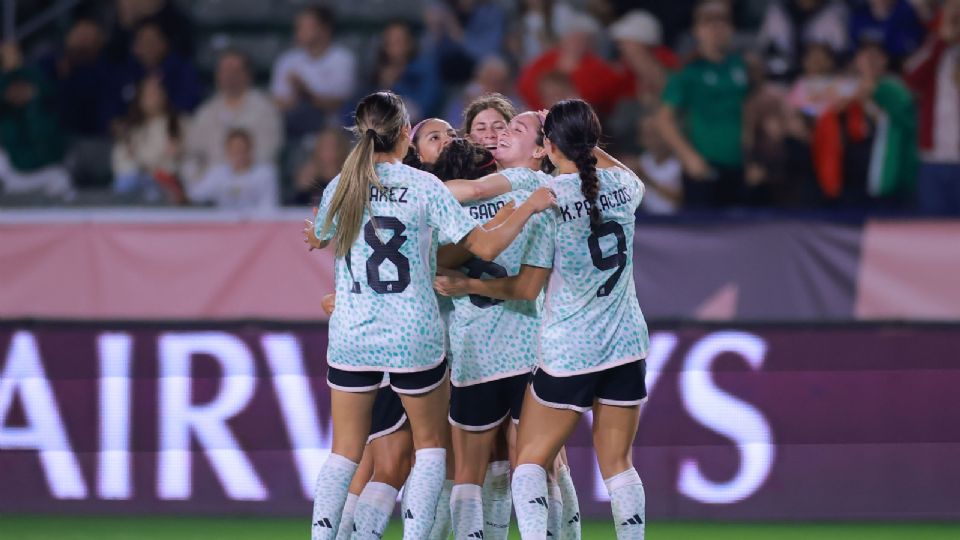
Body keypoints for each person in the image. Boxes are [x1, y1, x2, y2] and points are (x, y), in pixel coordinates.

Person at [302, 91, 555, 540]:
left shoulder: (342, 183)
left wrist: (321, 240)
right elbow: (486, 246)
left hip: (353, 334)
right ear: (405, 136)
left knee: (345, 454)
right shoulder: (424, 188)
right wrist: (525, 209)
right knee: (431, 450)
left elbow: (318, 236)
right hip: (413, 333)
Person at [440, 99, 649, 539]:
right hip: (627, 344)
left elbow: (493, 244)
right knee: (618, 467)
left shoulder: (549, 198)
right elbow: (619, 171)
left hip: (570, 350)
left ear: (547, 147)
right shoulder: (625, 188)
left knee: (530, 462)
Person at [657, 0, 749, 208]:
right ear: (697, 30)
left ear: (732, 28)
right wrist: (688, 156)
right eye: (709, 22)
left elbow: (749, 109)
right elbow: (664, 119)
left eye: (723, 21)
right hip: (704, 165)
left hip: (738, 163)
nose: (717, 28)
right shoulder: (688, 71)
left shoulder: (741, 66)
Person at [183, 50, 282, 188]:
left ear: (248, 74)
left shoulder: (265, 109)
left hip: (250, 183)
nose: (229, 75)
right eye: (224, 70)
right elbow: (193, 153)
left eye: (235, 70)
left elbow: (268, 152)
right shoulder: (205, 112)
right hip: (213, 186)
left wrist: (235, 174)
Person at [517, 10, 632, 116]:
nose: (575, 43)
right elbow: (524, 86)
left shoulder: (598, 67)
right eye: (572, 37)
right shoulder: (543, 62)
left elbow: (613, 92)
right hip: (541, 118)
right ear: (563, 39)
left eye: (582, 39)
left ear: (590, 43)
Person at [903, 0, 960, 215]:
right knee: (933, 233)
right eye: (951, 10)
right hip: (934, 159)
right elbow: (910, 78)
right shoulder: (935, 46)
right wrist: (941, 41)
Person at [0, 43, 73, 199]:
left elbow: (50, 92)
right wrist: (8, 73)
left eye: (22, 89)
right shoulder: (5, 110)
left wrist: (19, 71)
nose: (17, 94)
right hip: (11, 174)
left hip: (42, 172)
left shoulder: (42, 103)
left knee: (61, 179)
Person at [271, 6, 356, 136]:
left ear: (325, 29)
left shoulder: (343, 59)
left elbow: (339, 103)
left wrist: (305, 93)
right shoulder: (287, 60)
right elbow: (278, 102)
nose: (299, 31)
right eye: (298, 26)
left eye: (306, 27)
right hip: (292, 126)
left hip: (333, 128)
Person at [111, 76, 186, 203]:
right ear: (140, 99)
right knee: (124, 183)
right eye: (148, 94)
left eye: (156, 93)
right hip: (135, 184)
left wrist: (140, 159)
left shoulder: (178, 125)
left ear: (164, 95)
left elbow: (171, 164)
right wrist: (139, 164)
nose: (152, 98)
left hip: (164, 185)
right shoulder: (132, 130)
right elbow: (120, 161)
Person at [116, 21, 201, 115]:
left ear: (165, 44)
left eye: (153, 41)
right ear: (134, 47)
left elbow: (188, 104)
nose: (149, 47)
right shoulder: (125, 72)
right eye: (143, 42)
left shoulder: (182, 70)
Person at [188, 129, 279, 211]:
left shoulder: (264, 173)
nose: (239, 154)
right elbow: (195, 195)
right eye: (234, 150)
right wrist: (195, 171)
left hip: (256, 225)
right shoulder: (219, 173)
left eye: (242, 149)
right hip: (225, 225)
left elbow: (268, 207)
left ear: (250, 149)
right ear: (227, 151)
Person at [293, 128, 351, 205]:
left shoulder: (350, 179)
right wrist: (302, 189)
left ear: (341, 150)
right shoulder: (310, 179)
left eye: (330, 147)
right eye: (322, 146)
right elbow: (295, 210)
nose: (325, 152)